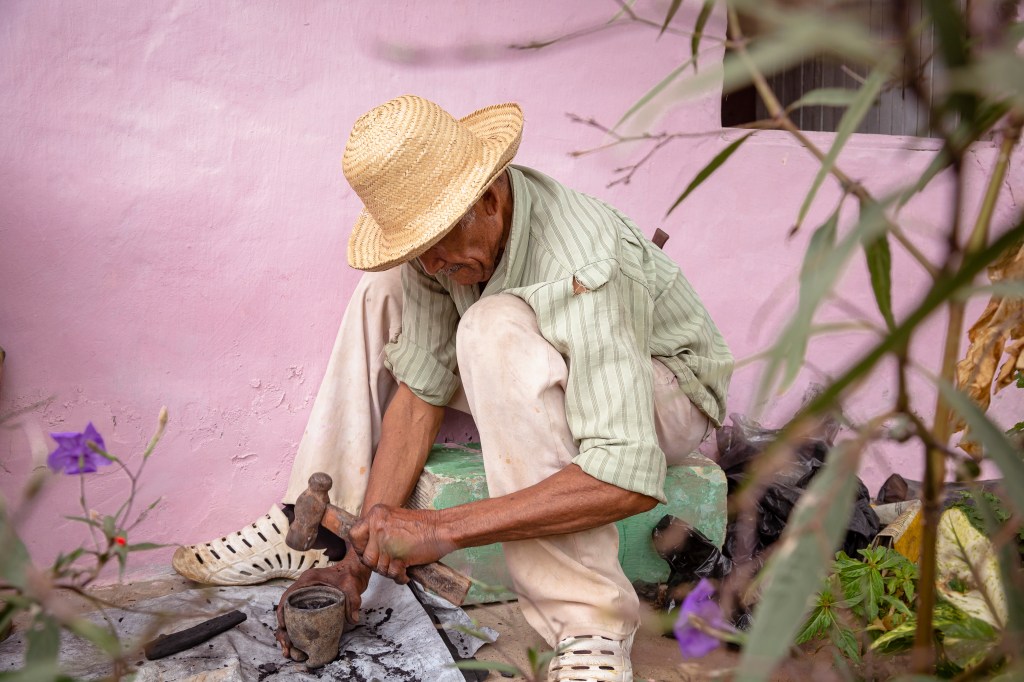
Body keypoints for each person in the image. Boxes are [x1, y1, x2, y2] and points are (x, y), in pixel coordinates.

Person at [172, 94, 733, 682]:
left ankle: (588, 625)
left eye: (437, 244)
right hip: (559, 356)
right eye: (422, 249)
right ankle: (316, 532)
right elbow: (421, 393)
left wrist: (440, 528)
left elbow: (624, 472)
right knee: (383, 286)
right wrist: (360, 555)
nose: (433, 265)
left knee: (490, 328)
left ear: (489, 199)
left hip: (664, 390)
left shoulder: (583, 260)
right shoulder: (442, 252)